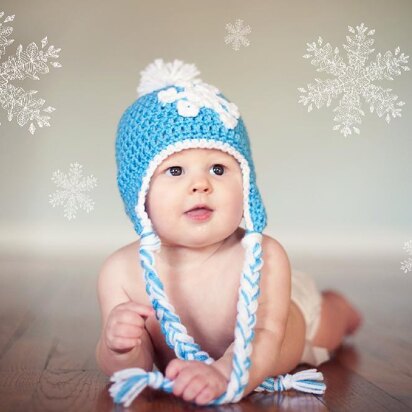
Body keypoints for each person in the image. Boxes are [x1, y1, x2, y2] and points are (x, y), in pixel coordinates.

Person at [95, 58, 362, 406]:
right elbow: (131, 367)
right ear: (139, 193)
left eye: (218, 168)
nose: (201, 185)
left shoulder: (263, 255)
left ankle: (338, 306)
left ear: (246, 184)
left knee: (329, 327)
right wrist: (120, 346)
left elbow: (265, 335)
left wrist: (224, 373)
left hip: (293, 318)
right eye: (175, 170)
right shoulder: (121, 272)